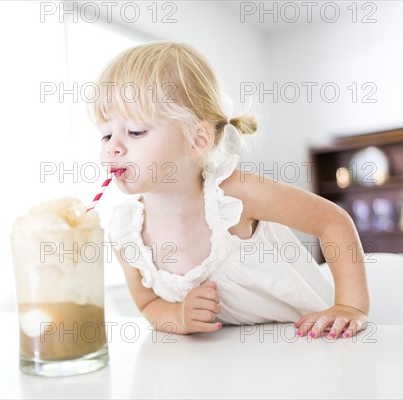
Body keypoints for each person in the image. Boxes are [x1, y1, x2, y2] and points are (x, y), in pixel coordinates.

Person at [89, 41, 370, 339]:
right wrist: (178, 315)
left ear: (197, 140)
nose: (112, 148)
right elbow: (148, 305)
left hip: (314, 344)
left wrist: (351, 307)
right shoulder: (126, 234)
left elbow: (332, 221)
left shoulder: (233, 195)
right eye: (105, 134)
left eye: (135, 132)